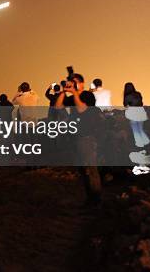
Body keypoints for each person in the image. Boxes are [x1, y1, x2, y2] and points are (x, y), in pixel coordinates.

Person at [55, 73, 102, 205]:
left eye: (75, 82)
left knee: (91, 169)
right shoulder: (73, 96)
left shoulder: (88, 95)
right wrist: (64, 91)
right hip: (77, 137)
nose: (73, 84)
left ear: (81, 83)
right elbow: (58, 106)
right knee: (83, 171)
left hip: (88, 137)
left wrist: (74, 92)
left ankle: (97, 199)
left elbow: (82, 109)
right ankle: (90, 199)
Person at [123, 83, 150, 148]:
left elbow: (125, 105)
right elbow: (141, 102)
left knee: (135, 130)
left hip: (133, 112)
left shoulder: (127, 96)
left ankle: (141, 144)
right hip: (141, 111)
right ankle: (146, 143)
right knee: (140, 129)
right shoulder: (138, 94)